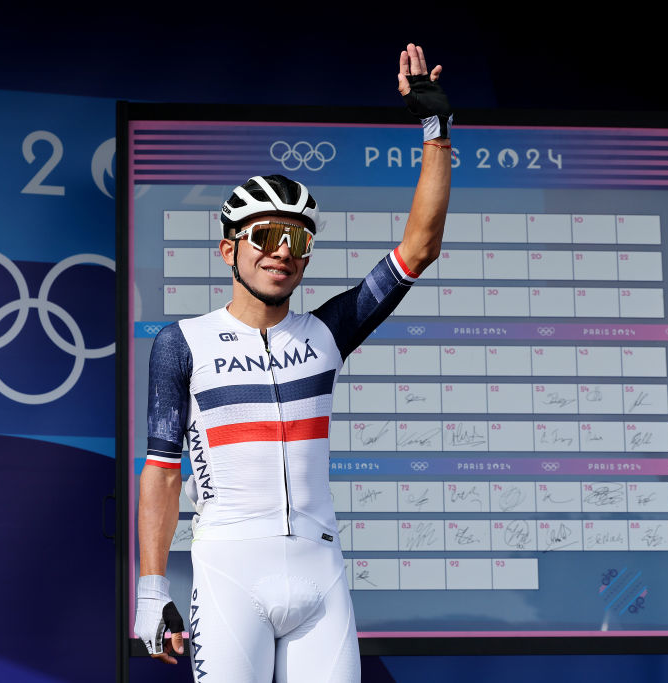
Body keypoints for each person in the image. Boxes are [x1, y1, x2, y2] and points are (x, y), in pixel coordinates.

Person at [134, 42, 453, 682]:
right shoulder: (182, 342)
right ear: (229, 248)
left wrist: (435, 129)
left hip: (320, 573)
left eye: (297, 239)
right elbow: (163, 472)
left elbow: (420, 246)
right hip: (228, 572)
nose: (282, 251)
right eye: (264, 236)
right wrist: (150, 589)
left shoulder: (328, 331)